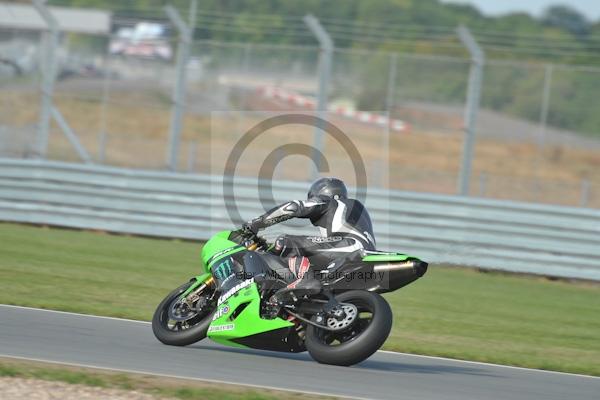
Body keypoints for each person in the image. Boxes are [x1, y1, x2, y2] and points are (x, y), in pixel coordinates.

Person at [242, 177, 376, 302]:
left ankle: (305, 280)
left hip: (349, 246)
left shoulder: (329, 202)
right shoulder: (357, 209)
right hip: (363, 256)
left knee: (287, 243)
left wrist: (257, 223)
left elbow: (293, 207)